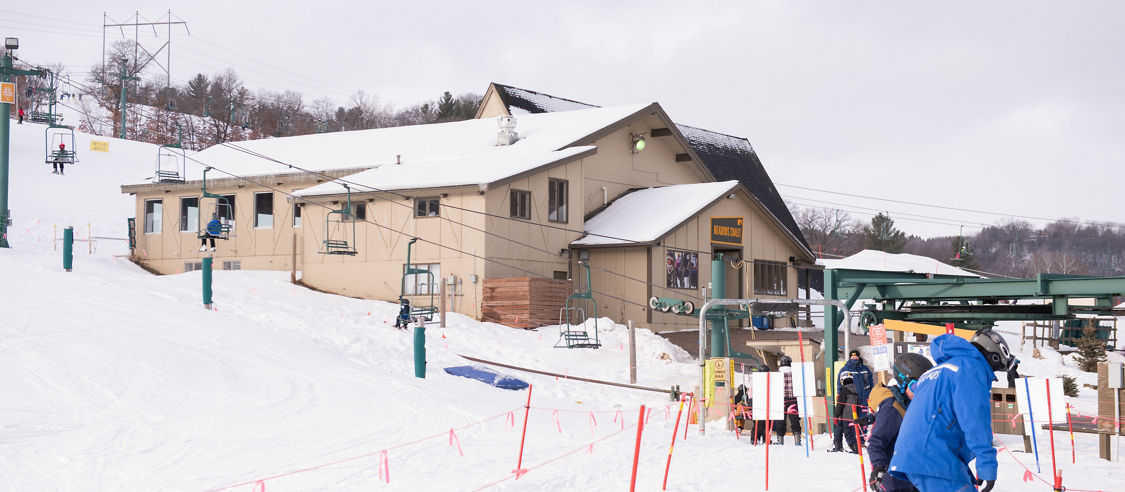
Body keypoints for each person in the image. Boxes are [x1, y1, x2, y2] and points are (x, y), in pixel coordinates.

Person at [888, 329, 1015, 492]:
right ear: (994, 356)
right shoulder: (971, 368)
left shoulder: (938, 370)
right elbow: (974, 420)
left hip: (918, 455)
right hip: (933, 458)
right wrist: (986, 465)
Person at [865, 353, 933, 492]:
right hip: (895, 482)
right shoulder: (893, 407)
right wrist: (878, 467)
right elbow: (876, 441)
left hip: (915, 476)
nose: (921, 392)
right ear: (903, 383)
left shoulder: (912, 404)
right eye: (916, 387)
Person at [831, 349, 873, 453]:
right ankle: (852, 443)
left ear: (859, 357)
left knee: (863, 421)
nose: (855, 359)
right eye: (853, 357)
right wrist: (839, 396)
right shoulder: (845, 369)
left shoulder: (865, 369)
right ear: (849, 358)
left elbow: (871, 383)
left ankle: (861, 442)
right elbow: (840, 384)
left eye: (856, 357)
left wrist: (871, 395)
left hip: (863, 400)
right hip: (850, 400)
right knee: (849, 422)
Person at [774, 355, 802, 445]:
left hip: (780, 400)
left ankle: (780, 441)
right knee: (795, 421)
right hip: (793, 400)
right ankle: (797, 441)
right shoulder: (795, 374)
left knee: (780, 421)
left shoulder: (776, 374)